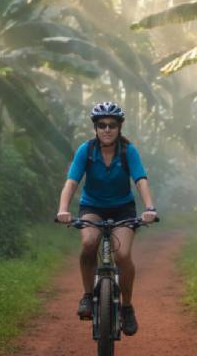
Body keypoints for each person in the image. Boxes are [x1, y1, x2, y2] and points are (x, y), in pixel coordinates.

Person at [56, 101, 158, 336]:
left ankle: (127, 307)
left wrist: (150, 207)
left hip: (123, 209)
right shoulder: (86, 150)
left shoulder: (128, 151)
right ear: (95, 128)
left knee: (122, 254)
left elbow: (140, 179)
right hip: (92, 206)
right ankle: (87, 296)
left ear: (119, 127)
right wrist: (63, 209)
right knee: (89, 243)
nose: (107, 129)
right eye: (101, 125)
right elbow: (71, 182)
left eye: (112, 125)